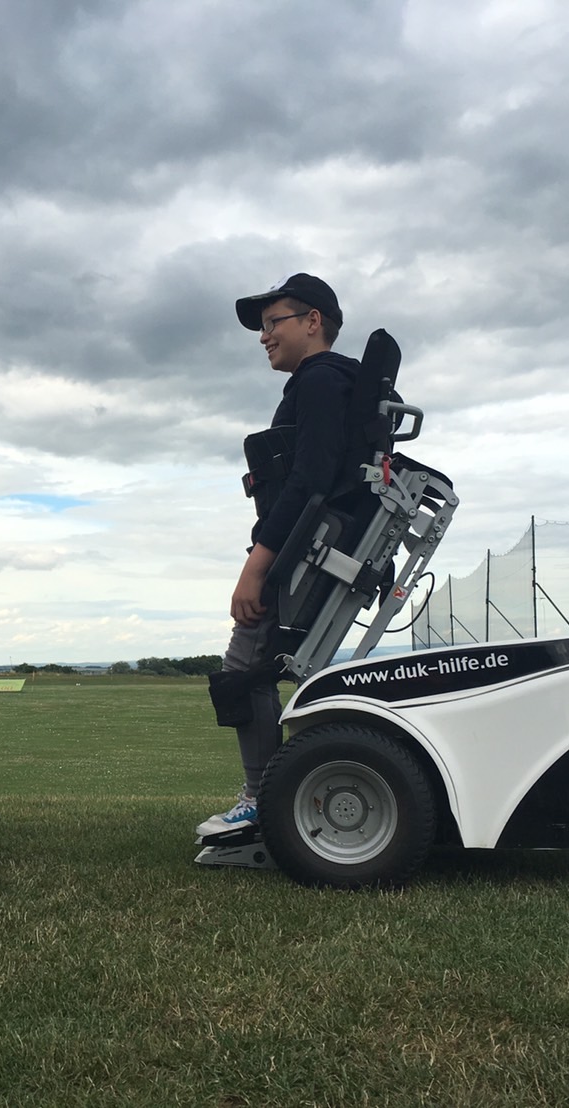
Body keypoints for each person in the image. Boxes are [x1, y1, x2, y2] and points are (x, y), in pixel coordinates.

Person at [198, 274, 361, 838]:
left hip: (301, 557)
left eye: (274, 323)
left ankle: (260, 801)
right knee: (247, 670)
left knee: (242, 671)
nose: (264, 336)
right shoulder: (335, 384)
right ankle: (266, 794)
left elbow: (308, 482)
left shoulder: (318, 382)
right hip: (313, 552)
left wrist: (257, 565)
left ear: (312, 322)